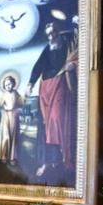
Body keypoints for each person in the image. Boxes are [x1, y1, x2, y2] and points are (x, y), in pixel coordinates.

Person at [25, 20, 78, 176]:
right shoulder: (47, 49)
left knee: (56, 120)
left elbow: (80, 57)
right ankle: (50, 161)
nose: (51, 36)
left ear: (58, 31)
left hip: (60, 85)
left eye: (53, 32)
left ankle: (63, 157)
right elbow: (38, 66)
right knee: (46, 125)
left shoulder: (68, 44)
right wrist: (30, 84)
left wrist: (73, 65)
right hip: (45, 89)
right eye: (48, 34)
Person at [0, 72, 25, 165]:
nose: (8, 86)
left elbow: (21, 102)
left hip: (14, 116)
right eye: (6, 84)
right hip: (5, 117)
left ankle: (12, 157)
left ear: (13, 84)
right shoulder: (4, 95)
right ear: (4, 85)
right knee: (5, 136)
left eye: (9, 84)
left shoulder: (15, 93)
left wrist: (26, 97)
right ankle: (4, 156)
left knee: (13, 136)